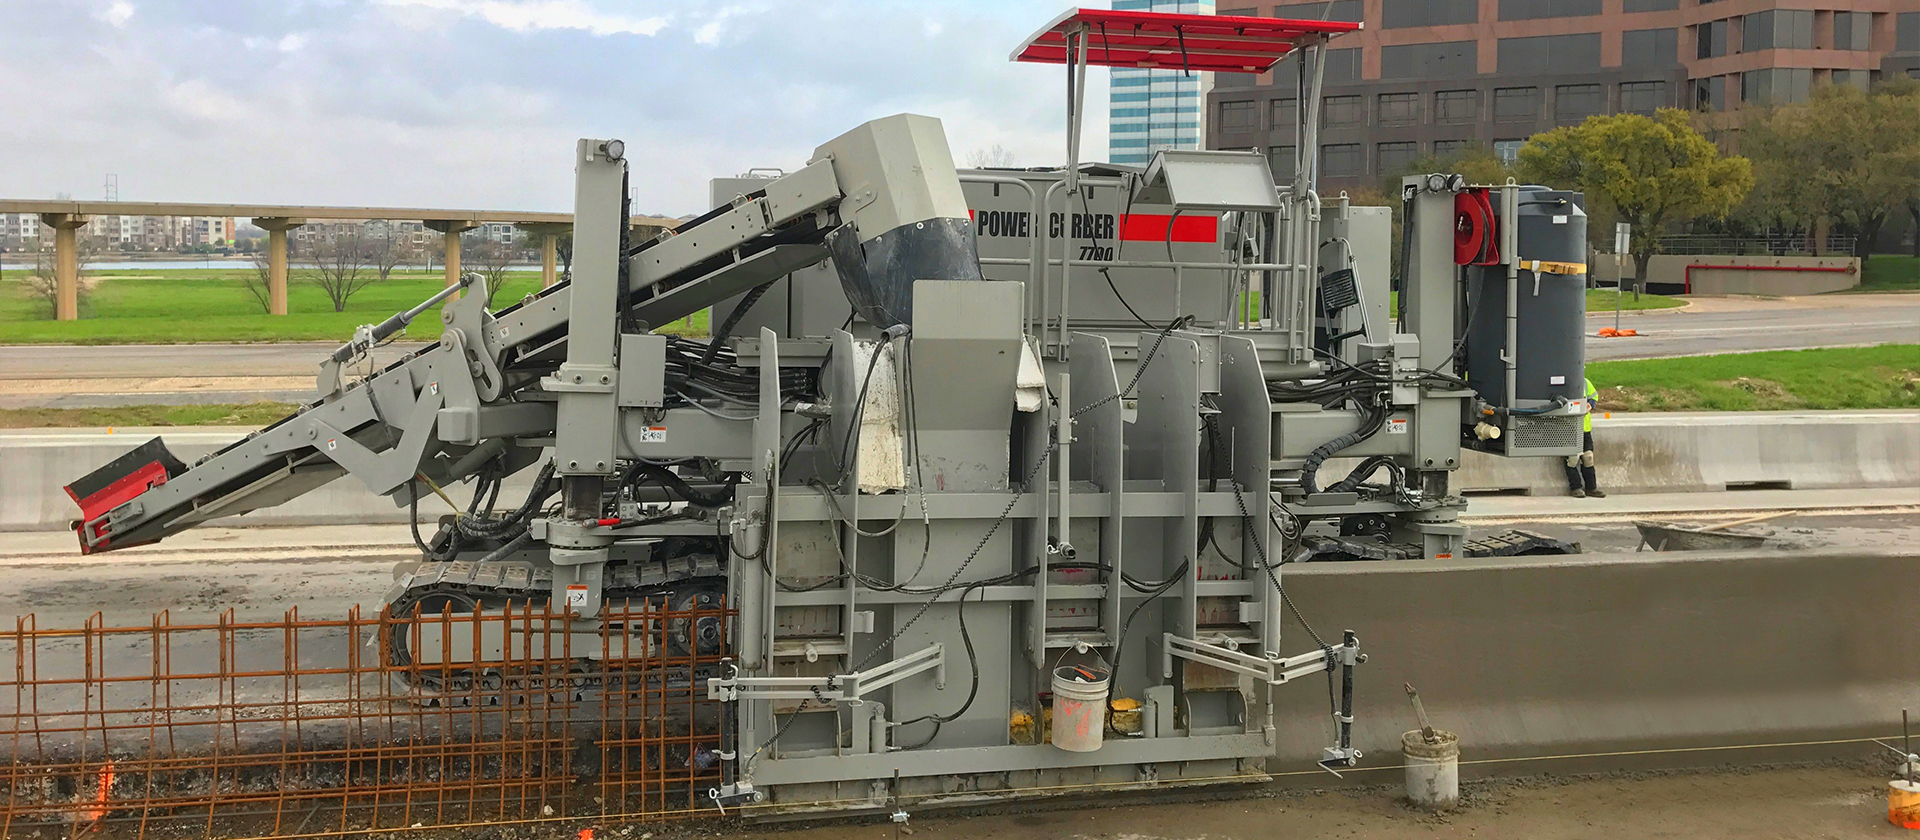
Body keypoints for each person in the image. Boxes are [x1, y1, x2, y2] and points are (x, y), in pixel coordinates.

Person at [1566, 377, 1605, 498]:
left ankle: (1591, 488)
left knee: (1588, 458)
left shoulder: (1585, 382)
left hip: (1585, 428)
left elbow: (1594, 396)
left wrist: (1590, 404)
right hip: (1568, 429)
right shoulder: (1562, 382)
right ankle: (1575, 487)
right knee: (1572, 459)